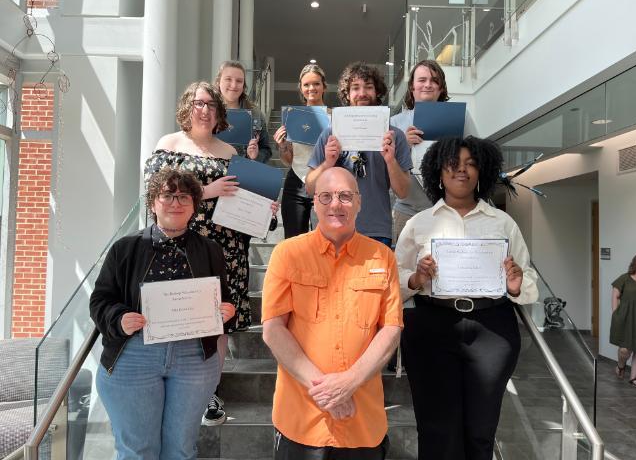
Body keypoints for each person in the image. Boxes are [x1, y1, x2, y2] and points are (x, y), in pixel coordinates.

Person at [394, 136, 538, 460]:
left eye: (470, 163)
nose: (462, 170)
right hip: (432, 325)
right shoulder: (419, 223)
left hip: (492, 329)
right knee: (436, 428)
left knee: (481, 429)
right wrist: (417, 278)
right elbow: (395, 280)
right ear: (438, 172)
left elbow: (527, 279)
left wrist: (515, 284)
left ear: (481, 171)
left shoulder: (502, 222)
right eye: (453, 164)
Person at [144, 81, 276, 426]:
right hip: (180, 246)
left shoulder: (230, 153)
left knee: (216, 323)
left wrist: (266, 208)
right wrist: (208, 190)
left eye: (211, 105)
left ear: (219, 113)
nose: (204, 110)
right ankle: (171, 389)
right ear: (187, 106)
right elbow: (154, 192)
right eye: (198, 103)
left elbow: (245, 200)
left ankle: (208, 392)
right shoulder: (169, 144)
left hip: (225, 249)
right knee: (179, 318)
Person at [90, 168, 236, 460]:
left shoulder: (210, 250)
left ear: (194, 204)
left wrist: (226, 310)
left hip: (193, 359)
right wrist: (119, 318)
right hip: (135, 356)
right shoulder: (126, 248)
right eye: (167, 195)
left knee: (181, 450)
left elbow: (223, 298)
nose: (175, 202)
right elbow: (100, 300)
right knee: (137, 452)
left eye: (183, 196)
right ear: (153, 202)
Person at [262, 167, 403, 459]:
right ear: (314, 202)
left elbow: (390, 330)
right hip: (301, 419)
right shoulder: (287, 254)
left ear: (359, 202)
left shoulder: (383, 257)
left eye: (345, 196)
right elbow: (273, 330)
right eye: (325, 196)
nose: (335, 204)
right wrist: (330, 393)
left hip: (361, 420)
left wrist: (349, 382)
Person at [306, 62, 412, 247]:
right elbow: (309, 188)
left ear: (377, 92)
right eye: (355, 88)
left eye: (368, 87)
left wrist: (390, 160)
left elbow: (403, 192)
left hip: (377, 231)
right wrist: (327, 163)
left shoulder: (394, 136)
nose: (362, 93)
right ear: (347, 94)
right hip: (334, 230)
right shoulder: (330, 134)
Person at [390, 59, 450, 243]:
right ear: (412, 87)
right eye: (422, 80)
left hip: (446, 210)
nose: (428, 84)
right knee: (405, 269)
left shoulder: (458, 118)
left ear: (441, 88)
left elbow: (476, 154)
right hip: (406, 212)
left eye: (434, 80)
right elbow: (385, 169)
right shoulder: (394, 123)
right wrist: (403, 145)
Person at [273, 64, 328, 238]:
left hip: (324, 183)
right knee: (294, 242)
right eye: (306, 85)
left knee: (325, 240)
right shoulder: (292, 117)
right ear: (301, 88)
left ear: (324, 86)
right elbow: (288, 160)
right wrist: (282, 145)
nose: (311, 88)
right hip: (295, 184)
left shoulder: (333, 117)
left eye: (316, 84)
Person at [214, 60, 272, 164]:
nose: (234, 85)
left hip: (243, 174)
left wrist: (256, 155)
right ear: (218, 82)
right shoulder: (207, 111)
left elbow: (266, 150)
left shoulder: (255, 114)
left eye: (239, 81)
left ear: (244, 85)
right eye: (228, 79)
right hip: (212, 173)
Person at [610, 252, 636, 387]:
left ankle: (633, 378)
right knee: (624, 349)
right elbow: (615, 294)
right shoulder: (625, 278)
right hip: (627, 317)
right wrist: (616, 312)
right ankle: (621, 366)